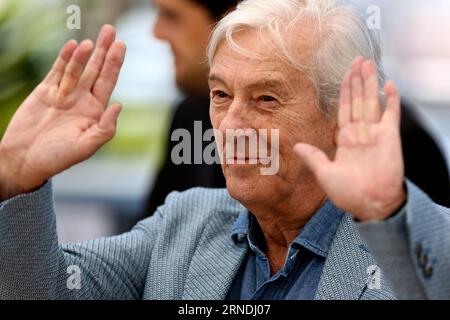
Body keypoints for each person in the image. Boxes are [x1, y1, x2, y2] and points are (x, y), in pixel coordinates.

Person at [0, 0, 440, 300]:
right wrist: (18, 179)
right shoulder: (185, 224)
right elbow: (41, 289)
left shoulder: (402, 243)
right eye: (221, 95)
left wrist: (388, 215)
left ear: (342, 114)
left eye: (267, 99)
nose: (231, 127)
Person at [142, 0, 450, 226]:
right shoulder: (191, 117)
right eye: (221, 94)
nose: (156, 32)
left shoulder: (394, 140)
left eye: (266, 98)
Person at [141, 0, 238, 218]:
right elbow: (151, 240)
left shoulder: (302, 128)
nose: (157, 32)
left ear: (231, 19)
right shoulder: (191, 114)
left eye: (172, 16)